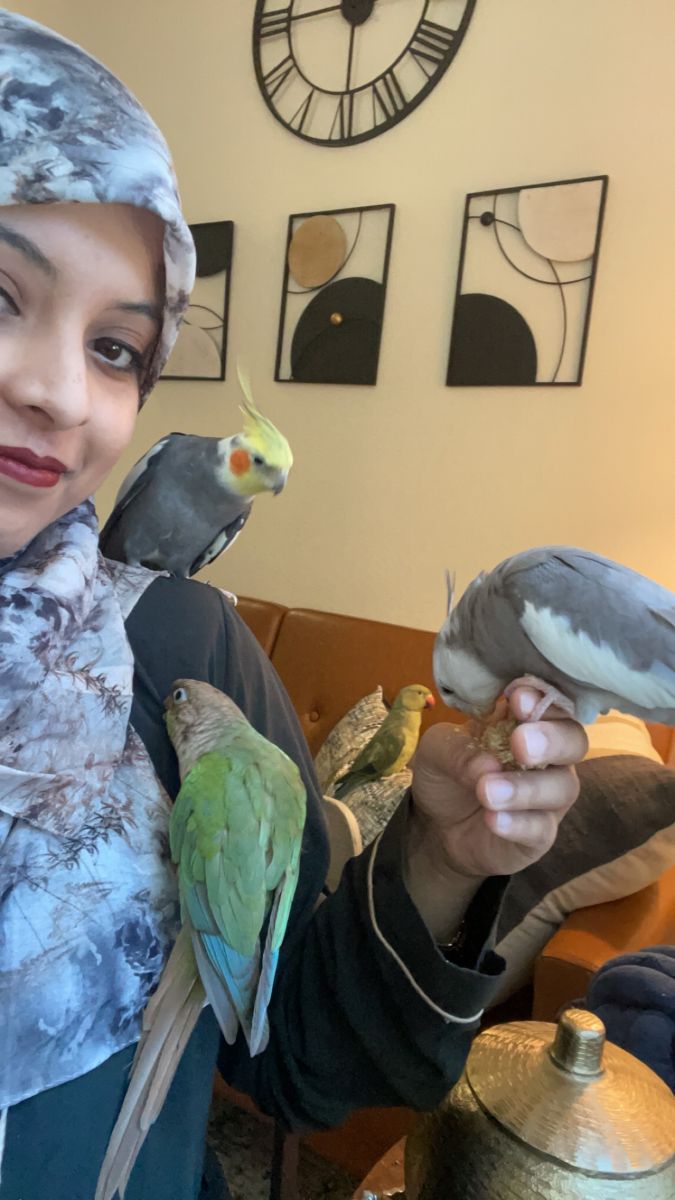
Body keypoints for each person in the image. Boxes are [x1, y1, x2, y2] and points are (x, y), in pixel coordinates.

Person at [0, 11, 588, 1200]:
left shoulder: (177, 641)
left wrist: (442, 859)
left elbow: (304, 1048)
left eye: (119, 348)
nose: (60, 392)